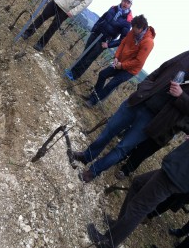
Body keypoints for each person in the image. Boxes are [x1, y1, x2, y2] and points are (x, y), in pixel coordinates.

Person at [72, 51, 189, 183]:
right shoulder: (186, 55)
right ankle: (87, 156)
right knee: (109, 131)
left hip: (153, 119)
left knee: (122, 148)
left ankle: (93, 172)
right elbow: (161, 69)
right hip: (138, 101)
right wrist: (143, 87)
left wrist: (181, 96)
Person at [85, 140, 189, 248]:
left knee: (139, 207)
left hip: (177, 174)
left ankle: (108, 243)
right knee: (138, 183)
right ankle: (119, 226)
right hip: (176, 168)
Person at [82, 15, 155, 107]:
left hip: (130, 70)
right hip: (119, 62)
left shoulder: (148, 42)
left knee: (111, 85)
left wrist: (122, 66)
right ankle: (93, 95)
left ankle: (93, 101)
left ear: (141, 29)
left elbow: (138, 61)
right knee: (102, 74)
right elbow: (123, 43)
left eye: (135, 28)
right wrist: (116, 57)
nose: (133, 30)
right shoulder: (133, 32)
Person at [64, 0, 133, 81]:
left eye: (128, 2)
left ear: (130, 5)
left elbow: (122, 40)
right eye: (124, 1)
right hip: (96, 34)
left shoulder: (128, 21)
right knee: (85, 52)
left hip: (104, 41)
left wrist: (108, 45)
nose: (125, 4)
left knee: (89, 58)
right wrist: (94, 29)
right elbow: (102, 18)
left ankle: (74, 76)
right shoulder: (113, 8)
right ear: (121, 0)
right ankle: (71, 70)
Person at [21, 0, 96, 51]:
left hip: (67, 9)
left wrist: (73, 12)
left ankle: (41, 44)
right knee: (43, 16)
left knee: (53, 27)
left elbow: (86, 2)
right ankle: (27, 33)